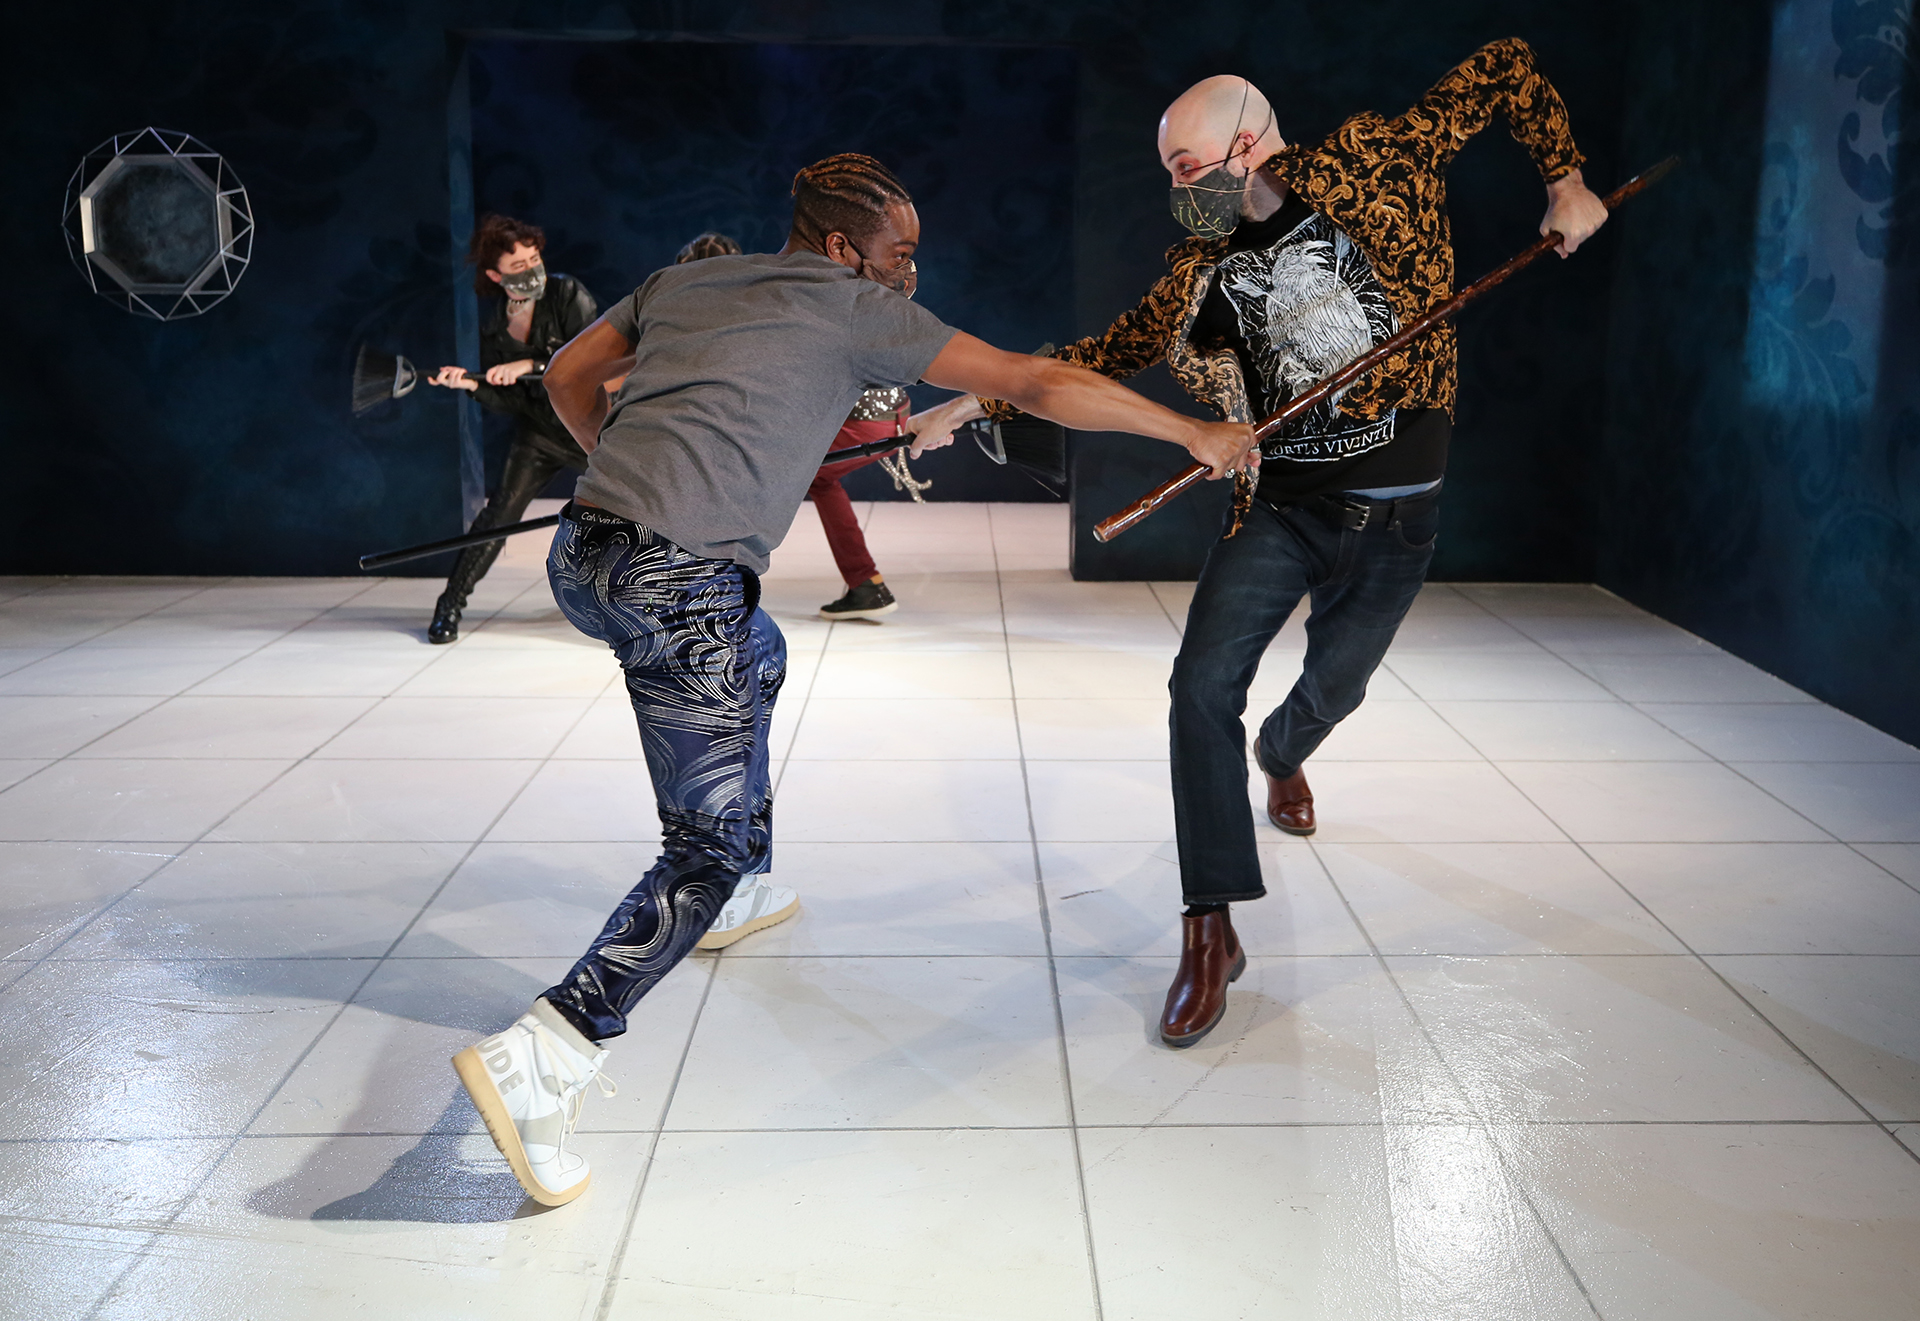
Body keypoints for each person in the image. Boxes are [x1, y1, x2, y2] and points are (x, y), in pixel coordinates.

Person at [450, 152, 1256, 1207]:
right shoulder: (855, 305)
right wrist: (1192, 429)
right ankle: (553, 1047)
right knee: (702, 846)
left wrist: (632, 475)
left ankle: (740, 886)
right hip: (677, 584)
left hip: (585, 556)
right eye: (898, 251)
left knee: (761, 650)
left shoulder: (687, 281)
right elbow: (1032, 380)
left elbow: (565, 376)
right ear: (842, 247)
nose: (909, 271)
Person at [914, 40, 1608, 1048]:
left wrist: (1566, 181)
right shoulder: (1199, 272)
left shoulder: (1377, 161)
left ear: (1247, 144)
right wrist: (983, 396)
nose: (1176, 191)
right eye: (1167, 173)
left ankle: (1283, 753)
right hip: (1279, 511)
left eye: (1186, 167)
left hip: (1399, 520)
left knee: (1334, 691)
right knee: (1199, 687)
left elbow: (1502, 67)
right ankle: (1210, 927)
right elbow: (1100, 356)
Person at [674, 231, 914, 621]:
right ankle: (864, 583)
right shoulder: (761, 295)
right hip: (889, 410)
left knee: (752, 477)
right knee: (809, 478)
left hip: (862, 416)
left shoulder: (741, 310)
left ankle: (717, 585)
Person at [423, 215, 599, 644]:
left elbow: (591, 361)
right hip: (540, 432)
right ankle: (450, 605)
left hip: (591, 429)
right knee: (498, 515)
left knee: (638, 509)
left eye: (534, 259)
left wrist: (530, 364)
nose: (531, 270)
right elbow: (514, 401)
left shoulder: (567, 294)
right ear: (495, 275)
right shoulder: (494, 328)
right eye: (518, 266)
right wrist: (472, 384)